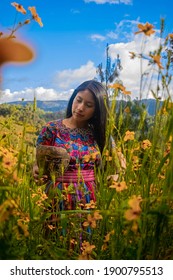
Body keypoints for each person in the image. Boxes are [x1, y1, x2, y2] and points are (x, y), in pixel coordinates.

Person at [33, 80, 109, 213]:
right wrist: (37, 172)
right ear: (73, 98)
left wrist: (116, 176)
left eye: (88, 105)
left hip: (89, 199)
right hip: (57, 197)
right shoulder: (52, 129)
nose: (80, 108)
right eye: (78, 100)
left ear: (97, 110)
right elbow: (38, 164)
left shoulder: (100, 135)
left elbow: (117, 165)